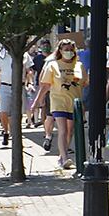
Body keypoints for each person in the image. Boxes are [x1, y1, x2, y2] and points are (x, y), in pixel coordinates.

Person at [31, 39, 84, 169]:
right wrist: (37, 101)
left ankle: (62, 155)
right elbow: (45, 86)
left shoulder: (79, 65)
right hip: (58, 101)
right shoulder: (53, 65)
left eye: (71, 50)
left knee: (70, 130)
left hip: (74, 102)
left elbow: (84, 83)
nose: (69, 52)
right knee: (63, 129)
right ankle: (65, 157)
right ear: (60, 51)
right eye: (66, 50)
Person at [0, 44, 18, 147]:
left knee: (14, 113)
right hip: (4, 86)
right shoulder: (0, 57)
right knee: (3, 111)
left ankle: (13, 133)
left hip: (18, 87)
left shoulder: (22, 55)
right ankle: (6, 131)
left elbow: (28, 69)